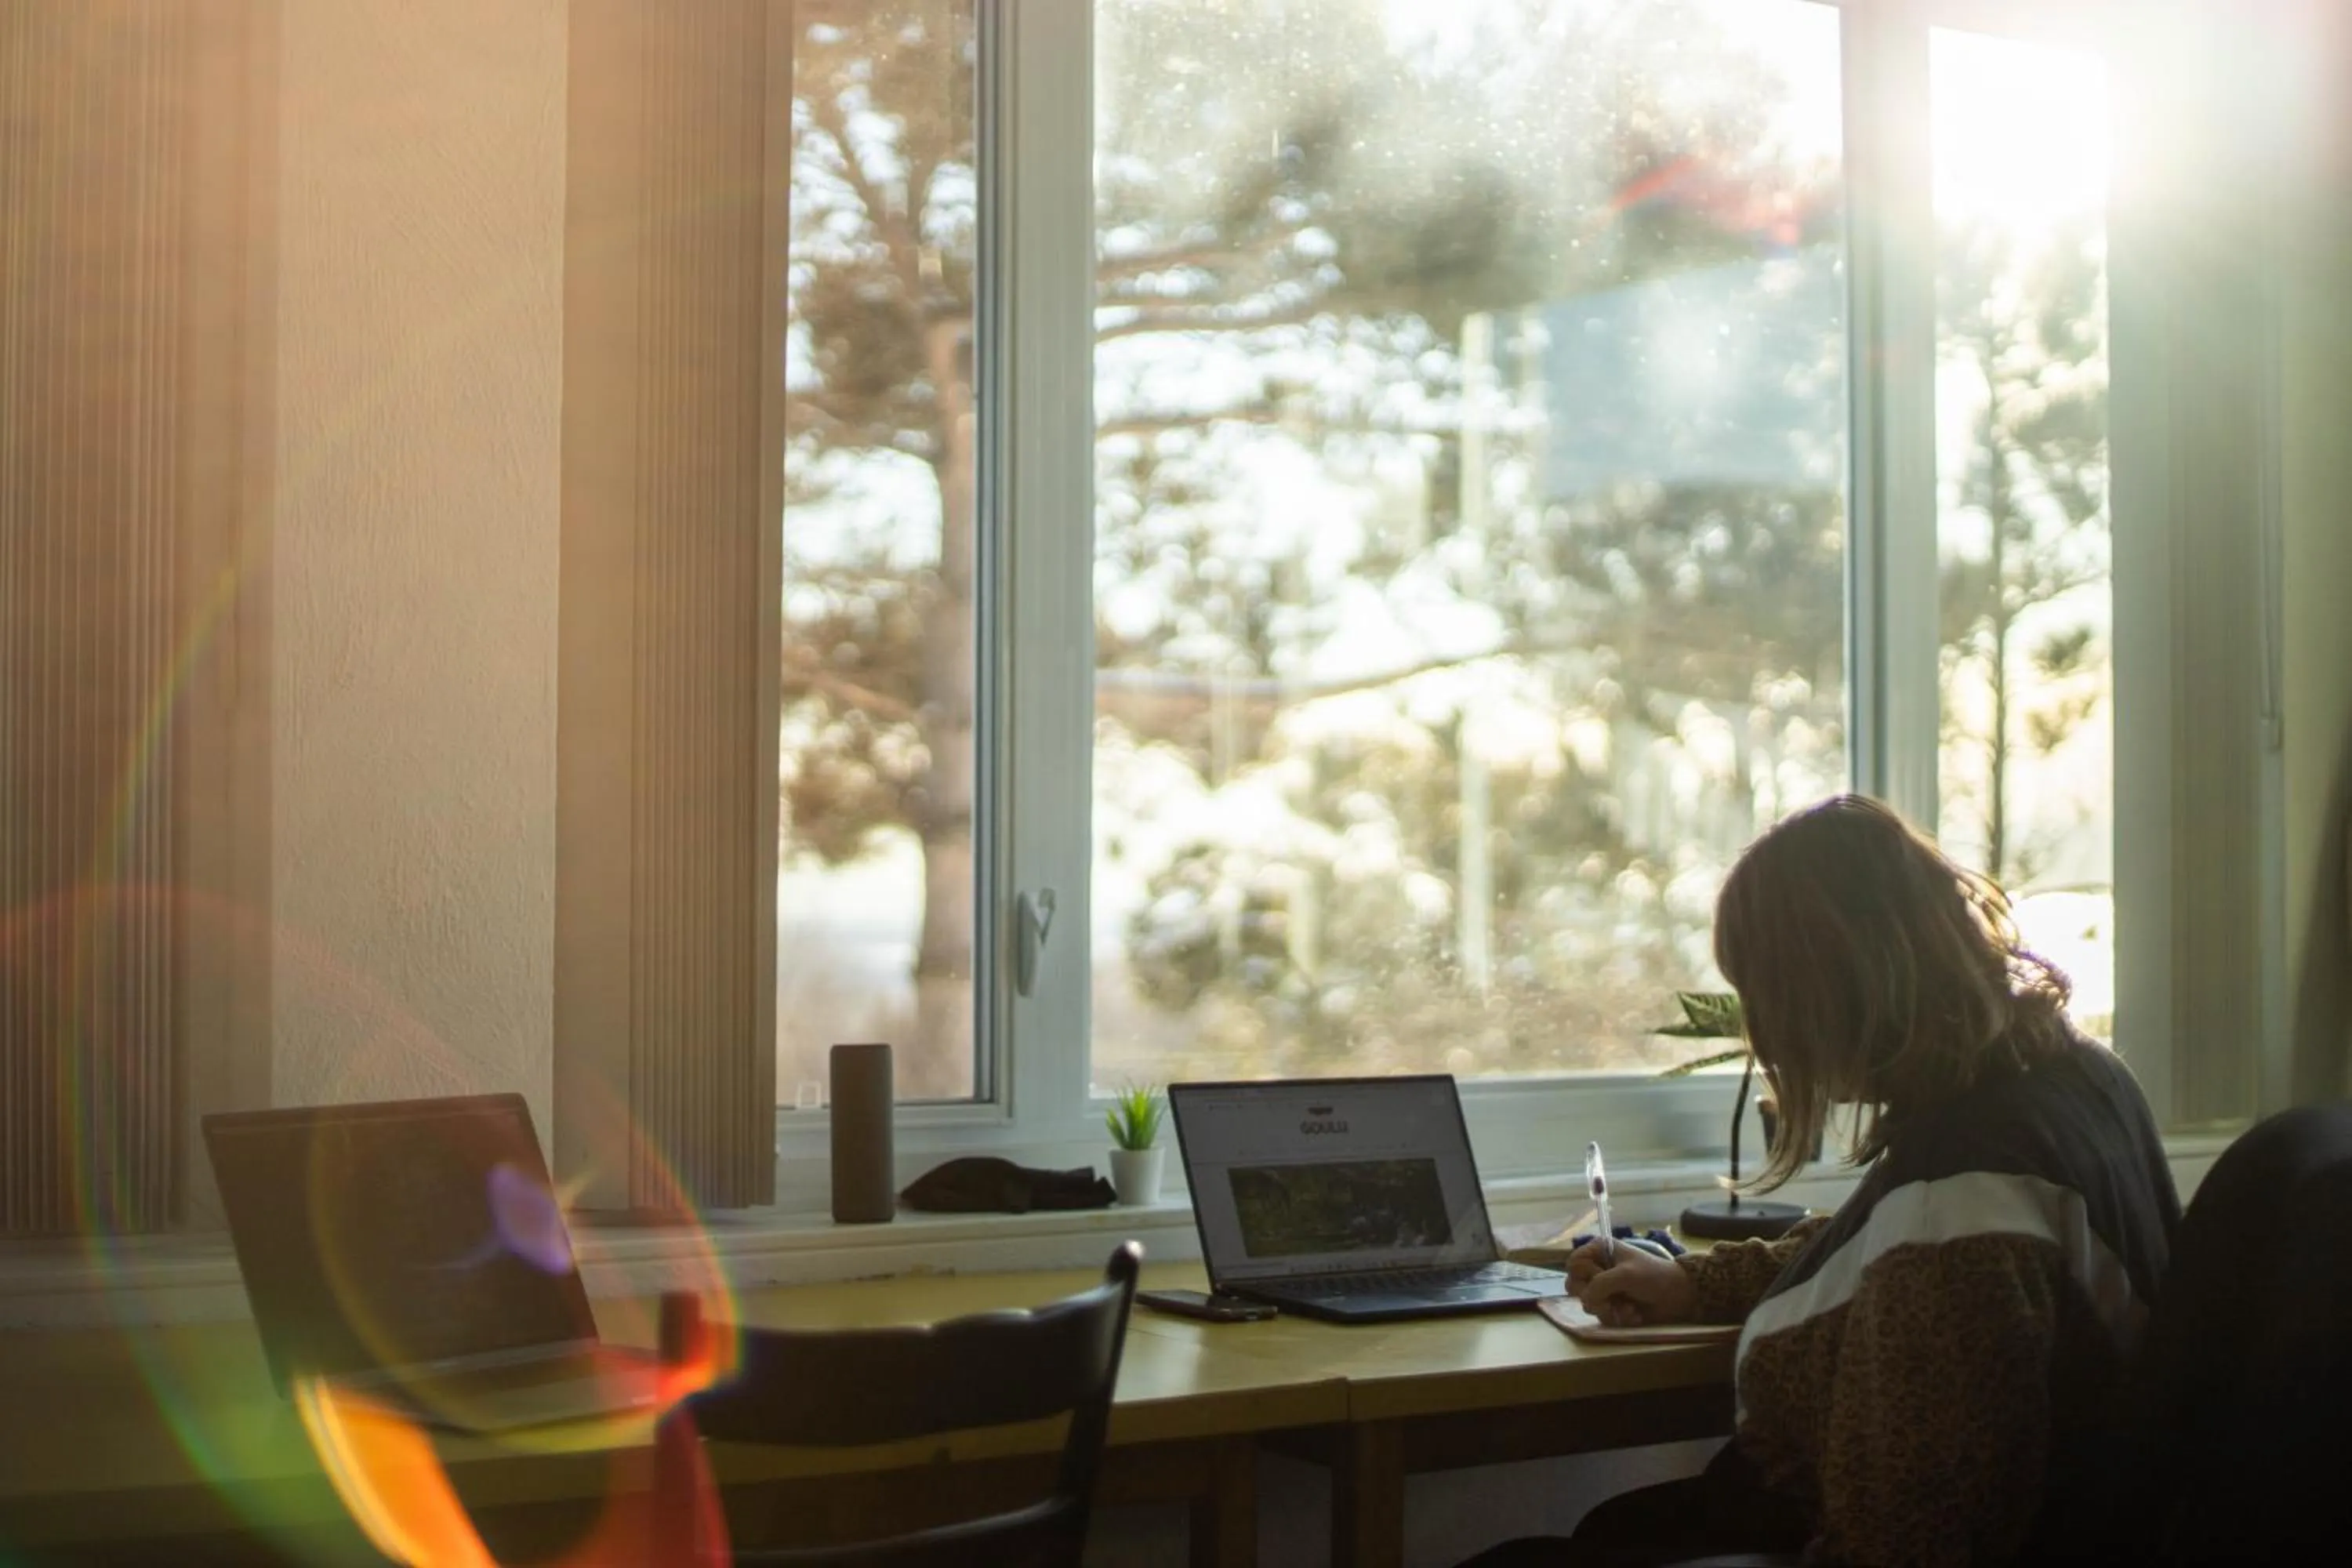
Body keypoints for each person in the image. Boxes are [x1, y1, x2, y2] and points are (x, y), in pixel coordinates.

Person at [1462, 795, 2180, 1568]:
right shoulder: (2068, 1080)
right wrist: (1695, 1285)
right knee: (1616, 1527)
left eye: (1761, 995)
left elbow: (1906, 1538)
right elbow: (1870, 1247)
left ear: (1824, 991)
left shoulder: (1960, 1204)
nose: (1759, 1030)